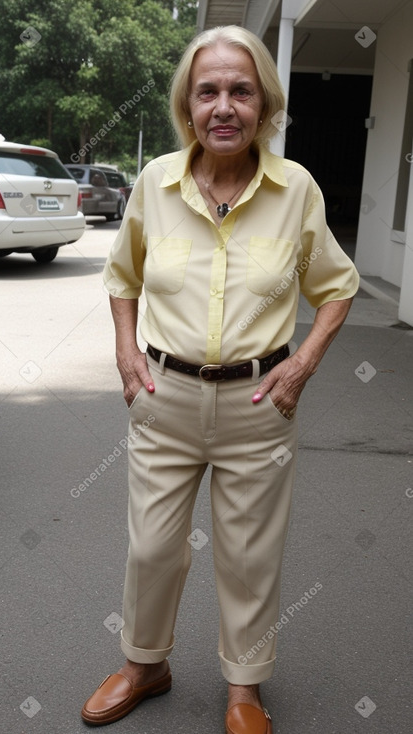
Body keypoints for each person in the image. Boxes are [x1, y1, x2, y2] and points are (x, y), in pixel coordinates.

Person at [81, 25, 359, 734]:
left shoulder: (294, 189)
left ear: (264, 103)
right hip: (164, 397)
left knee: (247, 555)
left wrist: (303, 362)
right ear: (187, 105)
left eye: (241, 90)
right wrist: (125, 353)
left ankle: (243, 688)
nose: (224, 106)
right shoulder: (155, 183)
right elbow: (122, 275)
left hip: (259, 401)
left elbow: (336, 286)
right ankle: (145, 664)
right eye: (208, 91)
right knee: (152, 547)